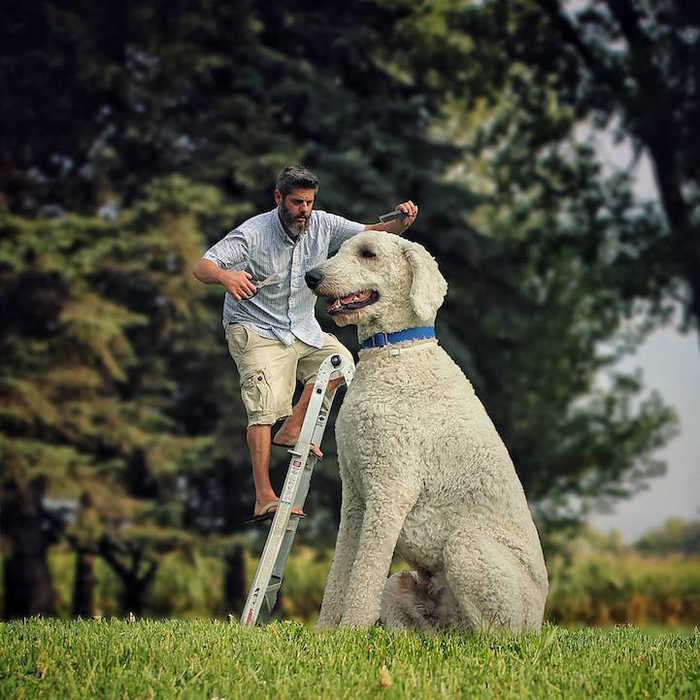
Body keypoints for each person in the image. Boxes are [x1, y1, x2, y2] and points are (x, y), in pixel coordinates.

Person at [192, 165, 418, 522]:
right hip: (256, 328)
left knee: (341, 362)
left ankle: (294, 426)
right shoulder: (253, 233)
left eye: (309, 202)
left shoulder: (322, 224)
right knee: (263, 408)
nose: (304, 210)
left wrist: (401, 223)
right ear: (279, 198)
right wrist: (225, 276)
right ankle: (264, 495)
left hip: (301, 328)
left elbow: (372, 232)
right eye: (297, 202)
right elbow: (202, 266)